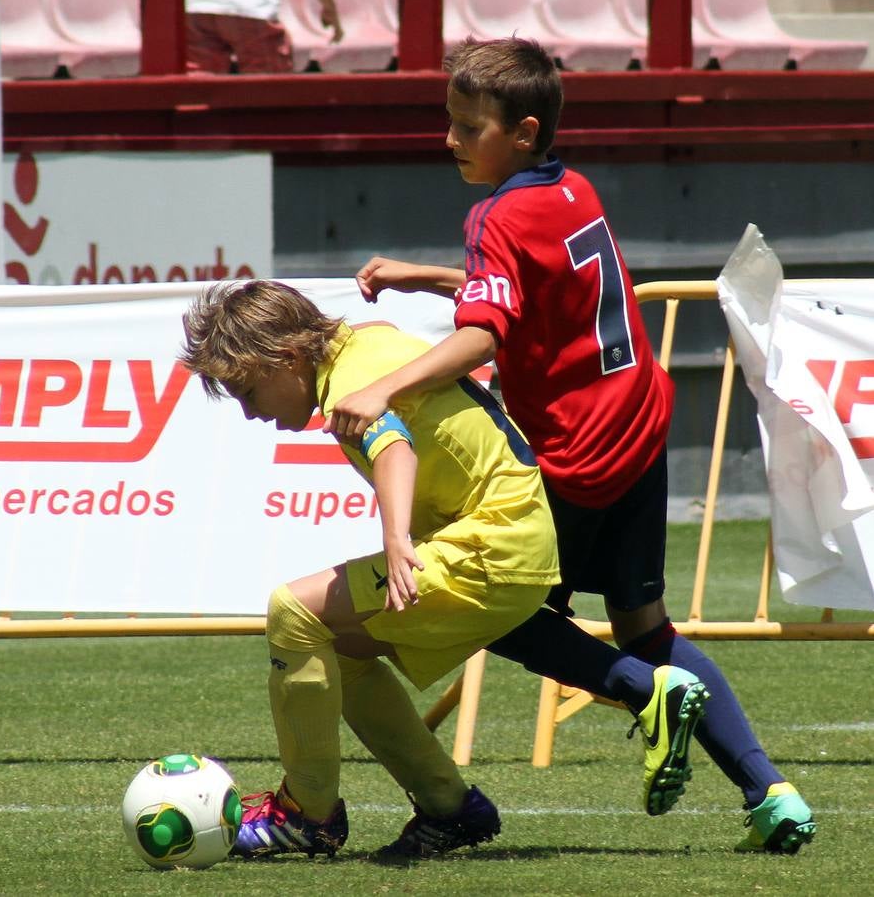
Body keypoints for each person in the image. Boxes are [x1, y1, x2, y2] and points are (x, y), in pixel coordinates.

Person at [324, 37, 816, 855]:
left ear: (520, 131)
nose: (448, 139)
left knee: (500, 613)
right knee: (645, 622)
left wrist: (385, 387)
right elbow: (533, 290)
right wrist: (430, 275)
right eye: (447, 121)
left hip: (575, 453)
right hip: (638, 423)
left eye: (466, 126)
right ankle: (771, 792)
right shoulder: (570, 188)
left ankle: (643, 695)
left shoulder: (493, 214)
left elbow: (485, 332)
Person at [179, 279, 709, 860]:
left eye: (250, 391)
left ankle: (308, 813)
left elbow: (392, 445)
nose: (253, 413)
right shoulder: (366, 343)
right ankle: (449, 807)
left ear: (284, 358)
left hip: (490, 546)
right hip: (519, 537)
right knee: (341, 648)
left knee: (292, 611)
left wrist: (395, 536)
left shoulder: (350, 387)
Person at [184, 0, 342, 74]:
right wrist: (329, 7)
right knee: (266, 84)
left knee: (202, 84)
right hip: (249, 8)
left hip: (195, 9)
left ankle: (197, 135)